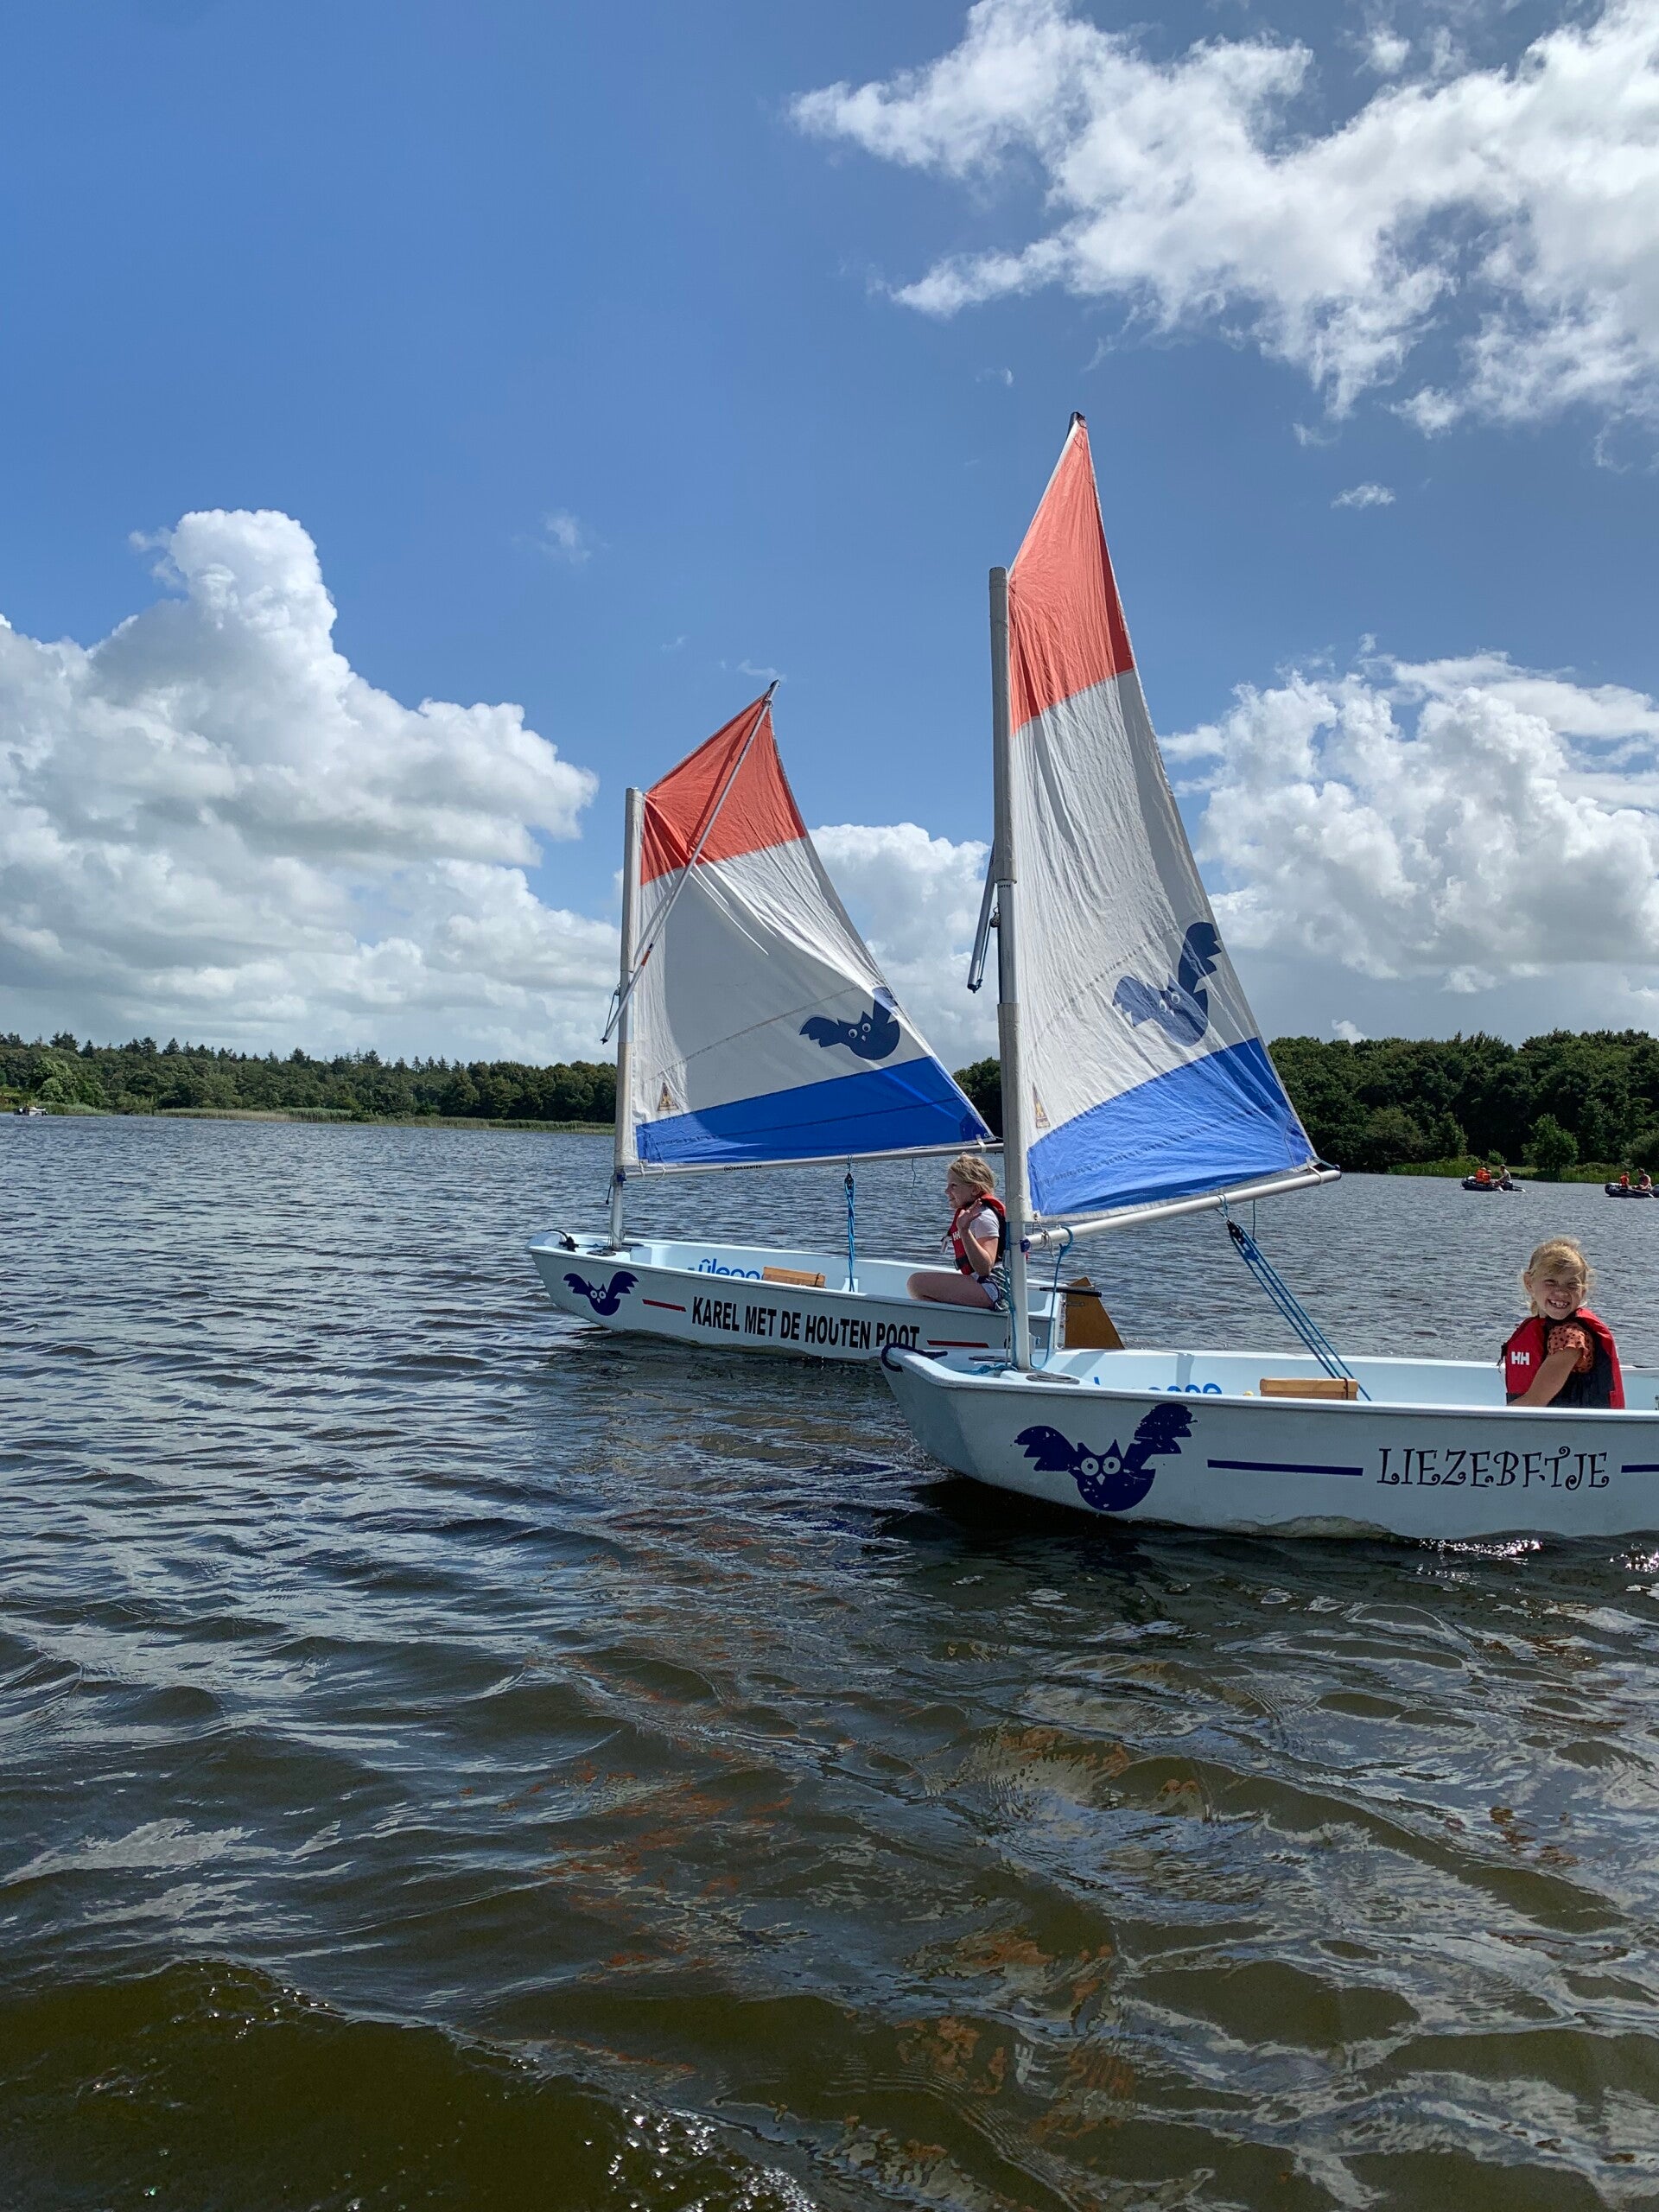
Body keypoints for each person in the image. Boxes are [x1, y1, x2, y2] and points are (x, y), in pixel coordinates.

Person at [1502, 1236, 1624, 1409]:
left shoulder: (1569, 1337)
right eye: (1551, 1282)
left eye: (1571, 1285)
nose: (1561, 1292)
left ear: (1583, 1291)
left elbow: (1535, 1402)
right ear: (1529, 1283)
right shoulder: (1542, 1327)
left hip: (1572, 1426)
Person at [908, 1154, 1007, 1308]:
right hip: (987, 1285)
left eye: (953, 1186)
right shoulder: (973, 1214)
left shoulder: (983, 1217)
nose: (947, 1191)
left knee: (917, 1283)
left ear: (974, 1189)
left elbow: (985, 1268)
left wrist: (964, 1231)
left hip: (994, 1288)